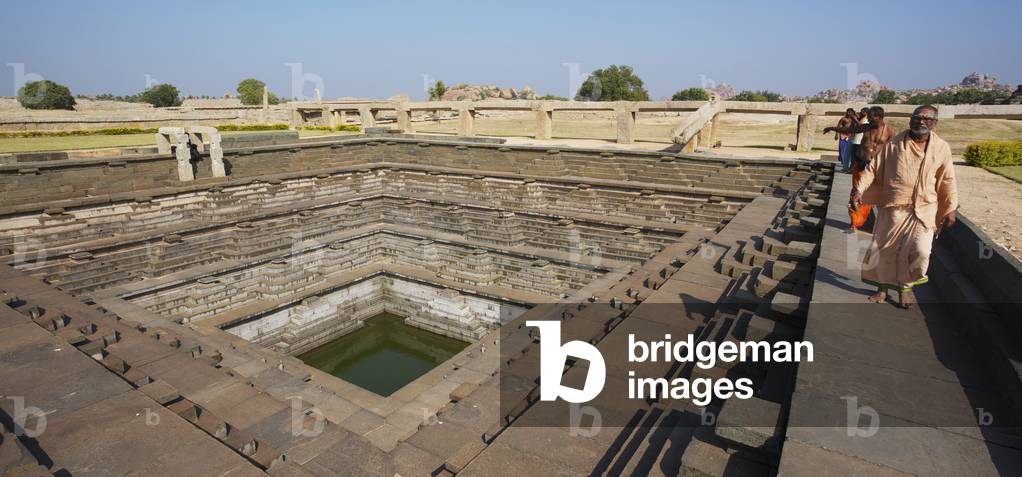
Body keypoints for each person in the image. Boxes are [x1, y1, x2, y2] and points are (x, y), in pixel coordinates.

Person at [849, 105, 958, 309]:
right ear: (911, 120)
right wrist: (859, 190)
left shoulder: (942, 148)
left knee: (921, 251)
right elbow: (873, 169)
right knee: (884, 248)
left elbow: (947, 179)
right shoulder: (895, 144)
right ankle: (882, 288)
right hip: (894, 205)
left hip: (925, 207)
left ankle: (905, 288)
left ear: (935, 123)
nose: (921, 122)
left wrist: (950, 207)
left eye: (927, 119)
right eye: (917, 117)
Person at [824, 106, 897, 231]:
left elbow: (895, 151)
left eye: (872, 119)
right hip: (861, 164)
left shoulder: (890, 131)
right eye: (868, 118)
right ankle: (854, 223)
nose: (869, 120)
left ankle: (863, 221)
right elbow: (849, 129)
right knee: (856, 192)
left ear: (880, 118)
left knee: (868, 195)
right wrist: (831, 128)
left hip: (876, 167)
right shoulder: (866, 127)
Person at [834, 108, 857, 173]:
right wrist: (836, 134)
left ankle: (846, 164)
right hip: (843, 135)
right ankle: (843, 162)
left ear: (852, 113)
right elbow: (838, 126)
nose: (848, 113)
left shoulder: (854, 119)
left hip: (850, 136)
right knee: (842, 150)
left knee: (848, 152)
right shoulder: (843, 119)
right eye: (847, 112)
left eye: (850, 112)